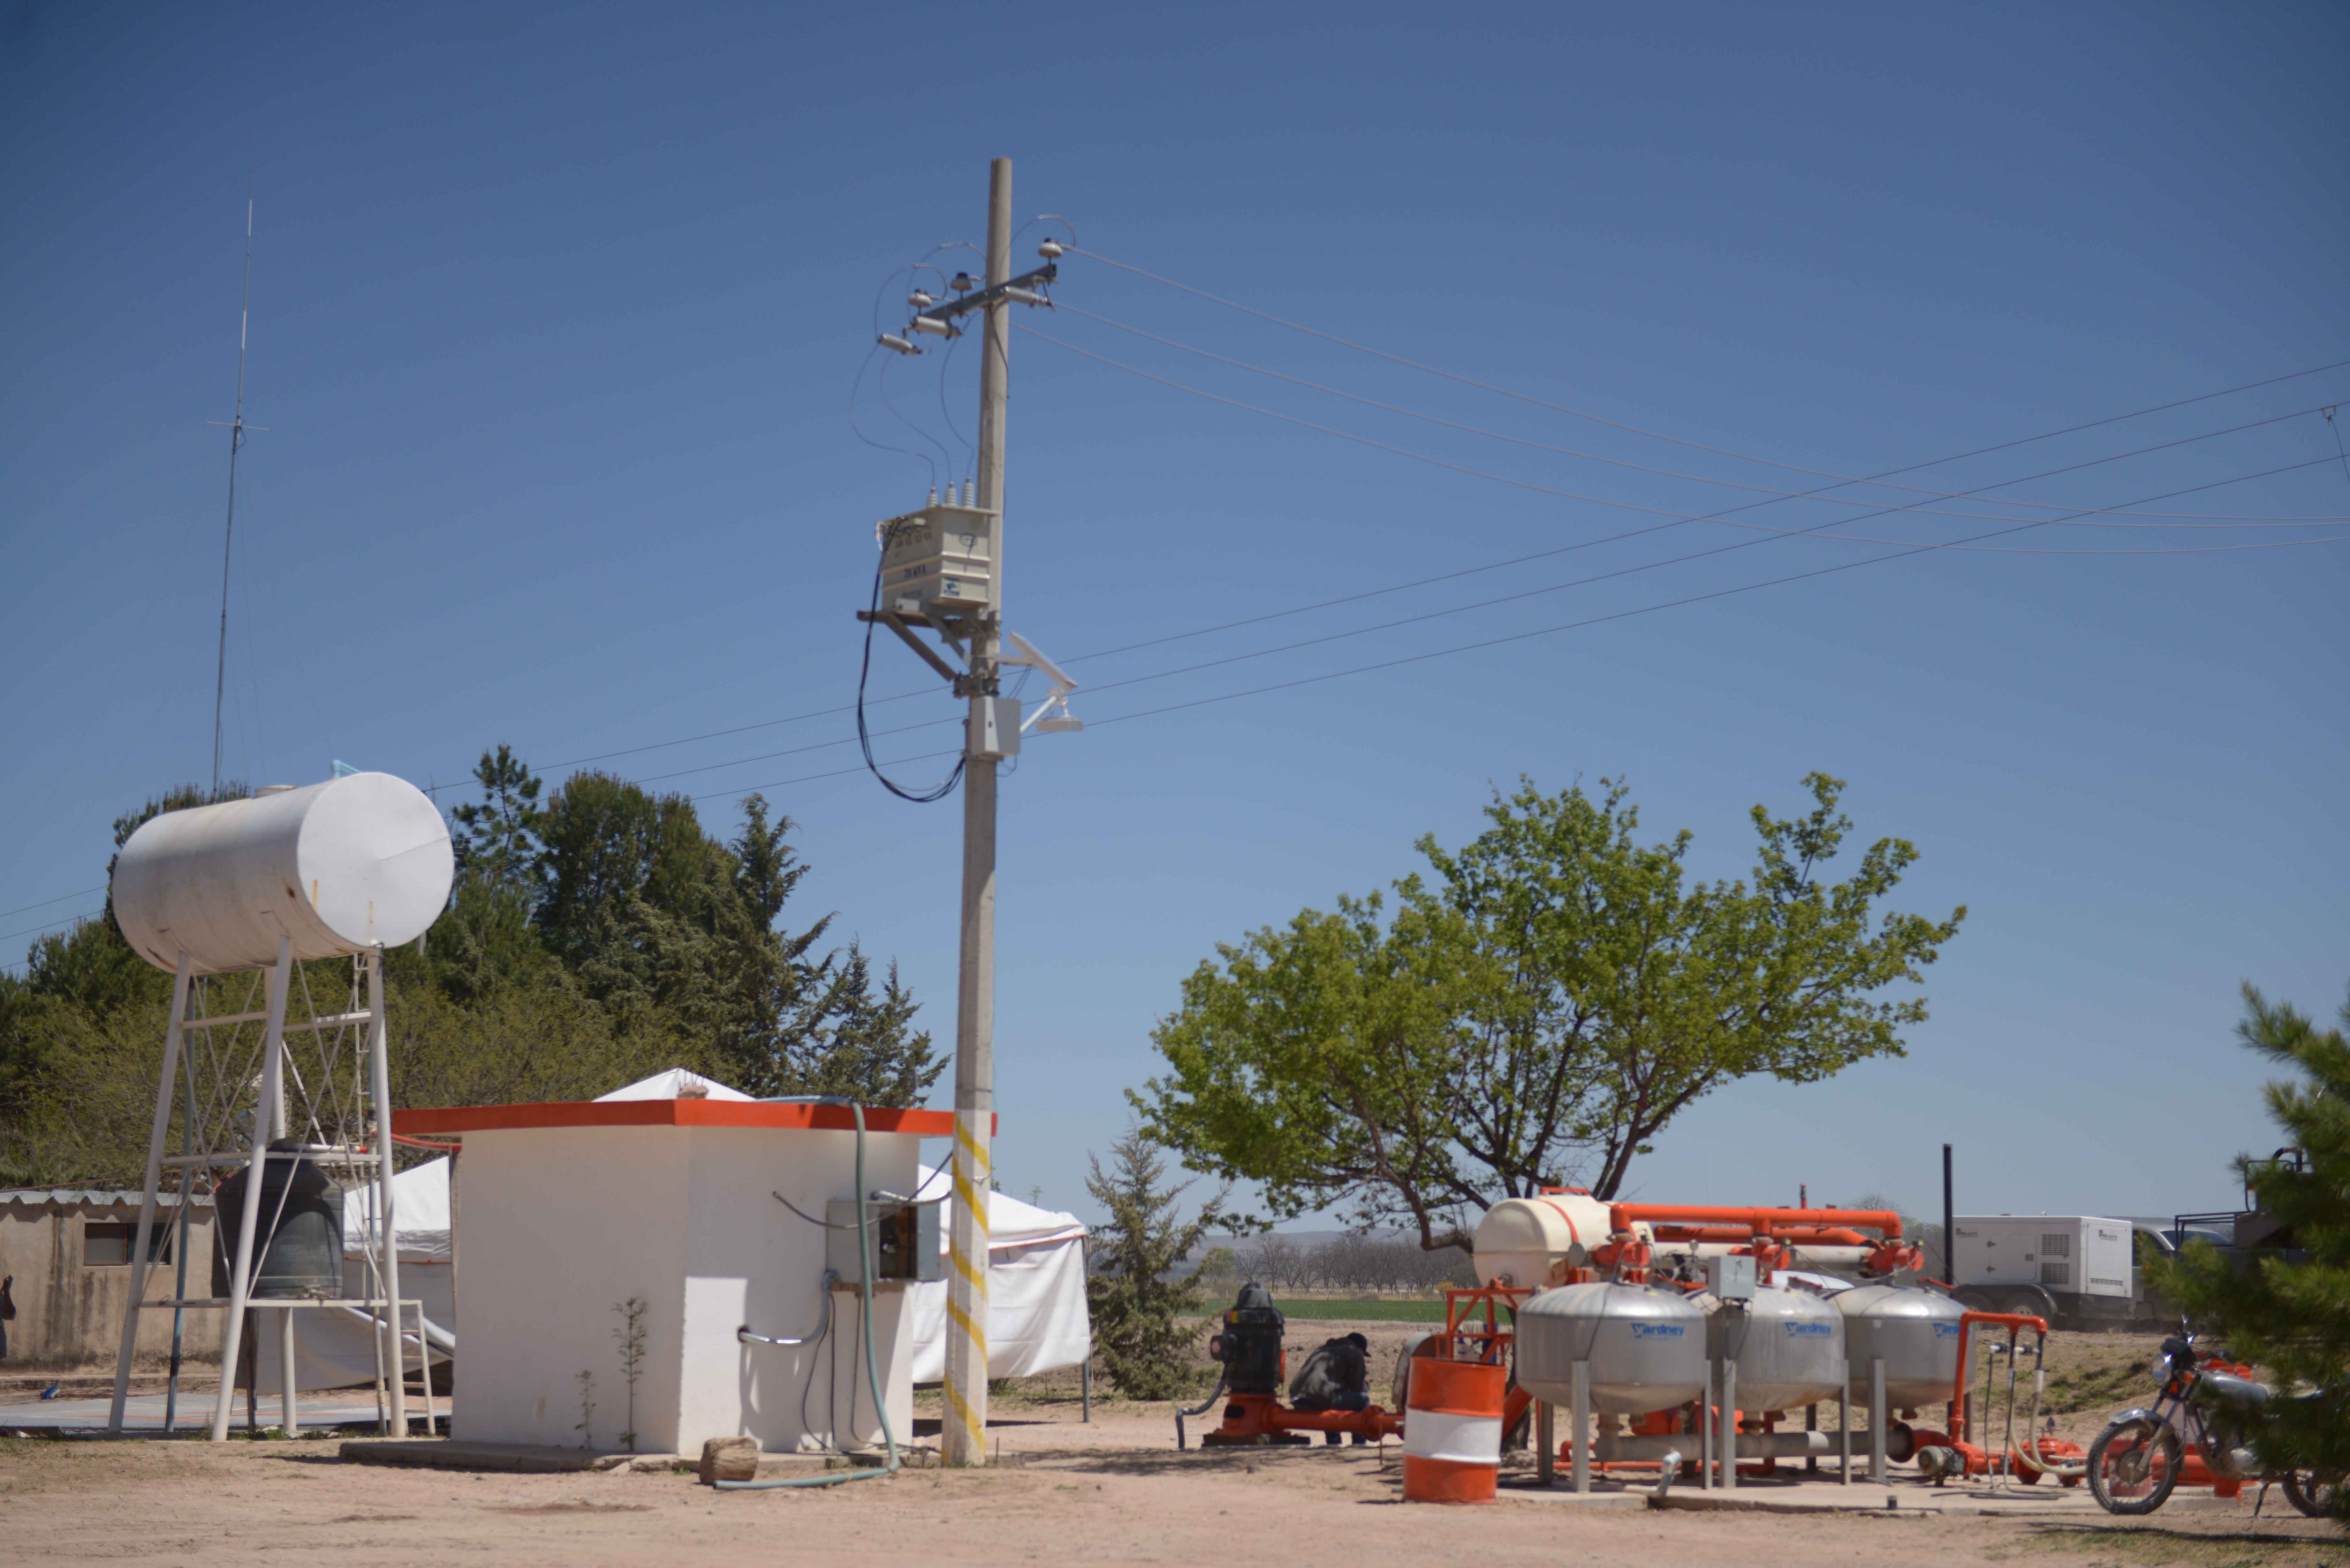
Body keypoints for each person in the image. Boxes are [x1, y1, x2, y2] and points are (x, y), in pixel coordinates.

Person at [1288, 1332, 1372, 1444]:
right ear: (1360, 1349)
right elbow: (1357, 1387)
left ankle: (1334, 1442)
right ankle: (1360, 1441)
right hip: (1318, 1397)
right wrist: (1367, 1386)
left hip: (1297, 1398)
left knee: (1332, 1399)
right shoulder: (1355, 1352)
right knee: (1363, 1399)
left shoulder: (1323, 1349)